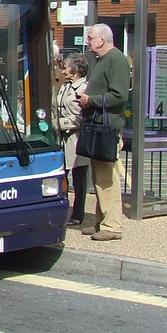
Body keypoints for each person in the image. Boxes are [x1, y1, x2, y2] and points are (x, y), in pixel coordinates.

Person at [76, 24, 131, 241]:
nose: (87, 41)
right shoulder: (101, 60)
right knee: (99, 177)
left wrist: (92, 100)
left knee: (108, 179)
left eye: (90, 38)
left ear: (102, 39)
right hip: (96, 127)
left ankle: (112, 226)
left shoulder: (116, 60)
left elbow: (119, 96)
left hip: (107, 129)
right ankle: (101, 222)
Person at [53, 54, 89, 227]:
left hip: (76, 139)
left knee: (79, 176)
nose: (64, 70)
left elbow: (80, 118)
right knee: (63, 177)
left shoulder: (84, 88)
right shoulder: (65, 86)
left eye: (66, 67)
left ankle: (78, 214)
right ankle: (63, 210)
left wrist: (58, 123)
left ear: (76, 70)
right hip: (62, 139)